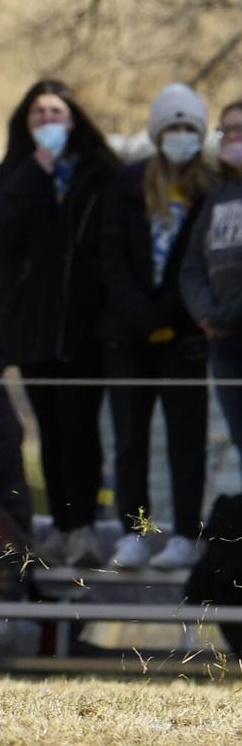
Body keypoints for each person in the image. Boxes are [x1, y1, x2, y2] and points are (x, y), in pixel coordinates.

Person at [0, 81, 119, 568]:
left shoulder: (100, 176)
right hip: (33, 330)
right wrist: (34, 173)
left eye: (56, 112)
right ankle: (58, 525)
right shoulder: (12, 175)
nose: (48, 121)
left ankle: (83, 528)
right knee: (50, 435)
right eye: (38, 113)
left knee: (82, 432)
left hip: (86, 329)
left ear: (74, 119)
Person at [100, 84, 214, 570]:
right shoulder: (128, 185)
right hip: (129, 337)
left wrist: (171, 314)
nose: (180, 137)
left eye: (190, 129)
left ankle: (187, 531)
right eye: (173, 127)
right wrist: (143, 315)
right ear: (157, 131)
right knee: (130, 439)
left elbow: (201, 261)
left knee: (187, 438)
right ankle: (135, 531)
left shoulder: (210, 189)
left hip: (185, 336)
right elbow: (111, 257)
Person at [181, 100, 242, 461]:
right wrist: (206, 313)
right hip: (222, 343)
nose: (232, 137)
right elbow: (191, 266)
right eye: (226, 130)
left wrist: (224, 316)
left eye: (240, 129)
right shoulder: (216, 195)